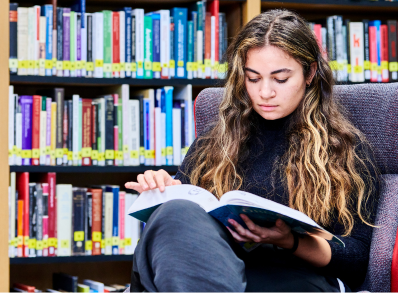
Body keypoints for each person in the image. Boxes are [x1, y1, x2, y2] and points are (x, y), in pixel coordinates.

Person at [124, 9, 380, 292]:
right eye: (253, 78)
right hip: (213, 268)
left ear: (310, 73)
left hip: (291, 278)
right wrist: (164, 191)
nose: (265, 92)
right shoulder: (215, 141)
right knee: (175, 213)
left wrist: (289, 240)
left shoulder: (345, 151)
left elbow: (356, 262)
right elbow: (183, 232)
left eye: (280, 79)